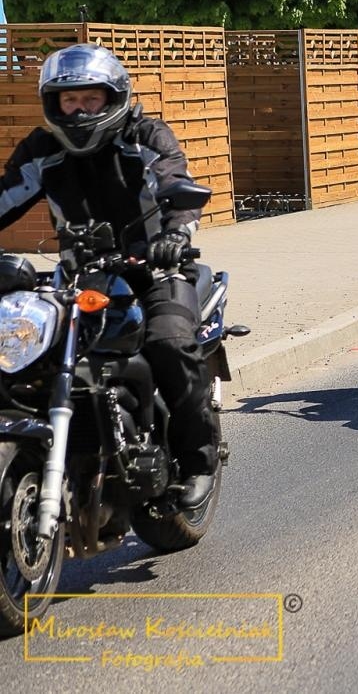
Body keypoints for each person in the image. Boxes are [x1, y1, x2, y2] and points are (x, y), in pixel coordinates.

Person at [0, 45, 220, 506]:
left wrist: (176, 235)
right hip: (81, 279)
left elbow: (174, 181)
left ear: (113, 98)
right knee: (21, 353)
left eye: (90, 100)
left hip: (158, 271)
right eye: (69, 101)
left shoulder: (146, 135)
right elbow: (5, 198)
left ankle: (198, 460)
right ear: (53, 104)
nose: (79, 110)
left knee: (169, 344)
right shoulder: (42, 150)